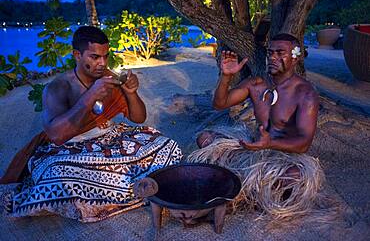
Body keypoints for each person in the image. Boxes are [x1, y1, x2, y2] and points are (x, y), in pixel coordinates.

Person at [0, 26, 182, 222]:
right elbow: (56, 136)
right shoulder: (58, 87)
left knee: (167, 145)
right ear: (77, 55)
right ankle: (138, 186)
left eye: (105, 56)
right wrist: (90, 96)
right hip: (73, 149)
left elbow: (139, 118)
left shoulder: (110, 77)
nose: (102, 63)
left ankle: (121, 190)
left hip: (113, 139)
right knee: (56, 174)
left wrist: (131, 92)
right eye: (94, 57)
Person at [188, 33, 324, 219]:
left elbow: (303, 144)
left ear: (296, 56)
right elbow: (219, 104)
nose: (273, 58)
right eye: (270, 53)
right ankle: (247, 186)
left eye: (280, 53)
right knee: (204, 138)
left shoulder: (305, 93)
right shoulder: (256, 84)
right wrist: (226, 77)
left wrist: (269, 144)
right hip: (253, 147)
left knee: (295, 176)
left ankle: (241, 187)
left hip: (284, 156)